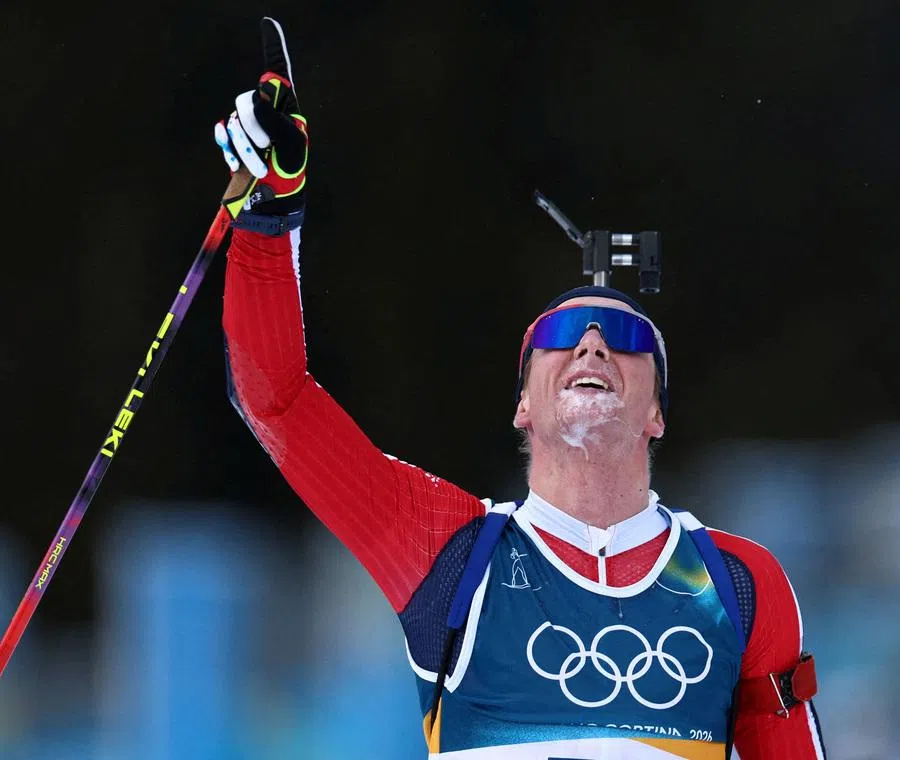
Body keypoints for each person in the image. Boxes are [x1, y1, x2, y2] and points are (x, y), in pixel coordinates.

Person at [218, 17, 826, 760]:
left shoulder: (737, 586)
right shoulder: (451, 552)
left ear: (658, 413)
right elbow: (274, 397)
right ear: (523, 406)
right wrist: (270, 213)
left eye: (627, 339)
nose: (594, 344)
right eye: (559, 341)